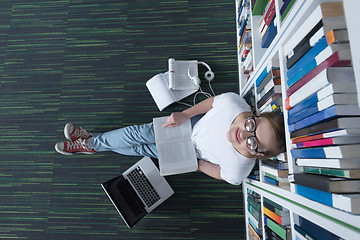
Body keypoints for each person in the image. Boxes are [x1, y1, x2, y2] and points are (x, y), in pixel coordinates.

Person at [55, 92, 285, 185]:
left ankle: (91, 143)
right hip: (190, 125)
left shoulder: (239, 169)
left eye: (252, 142)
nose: (244, 133)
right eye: (251, 125)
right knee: (138, 134)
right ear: (255, 116)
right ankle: (91, 143)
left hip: (190, 155)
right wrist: (186, 114)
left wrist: (198, 165)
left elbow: (220, 173)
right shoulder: (235, 104)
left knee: (140, 149)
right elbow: (212, 102)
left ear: (258, 154)